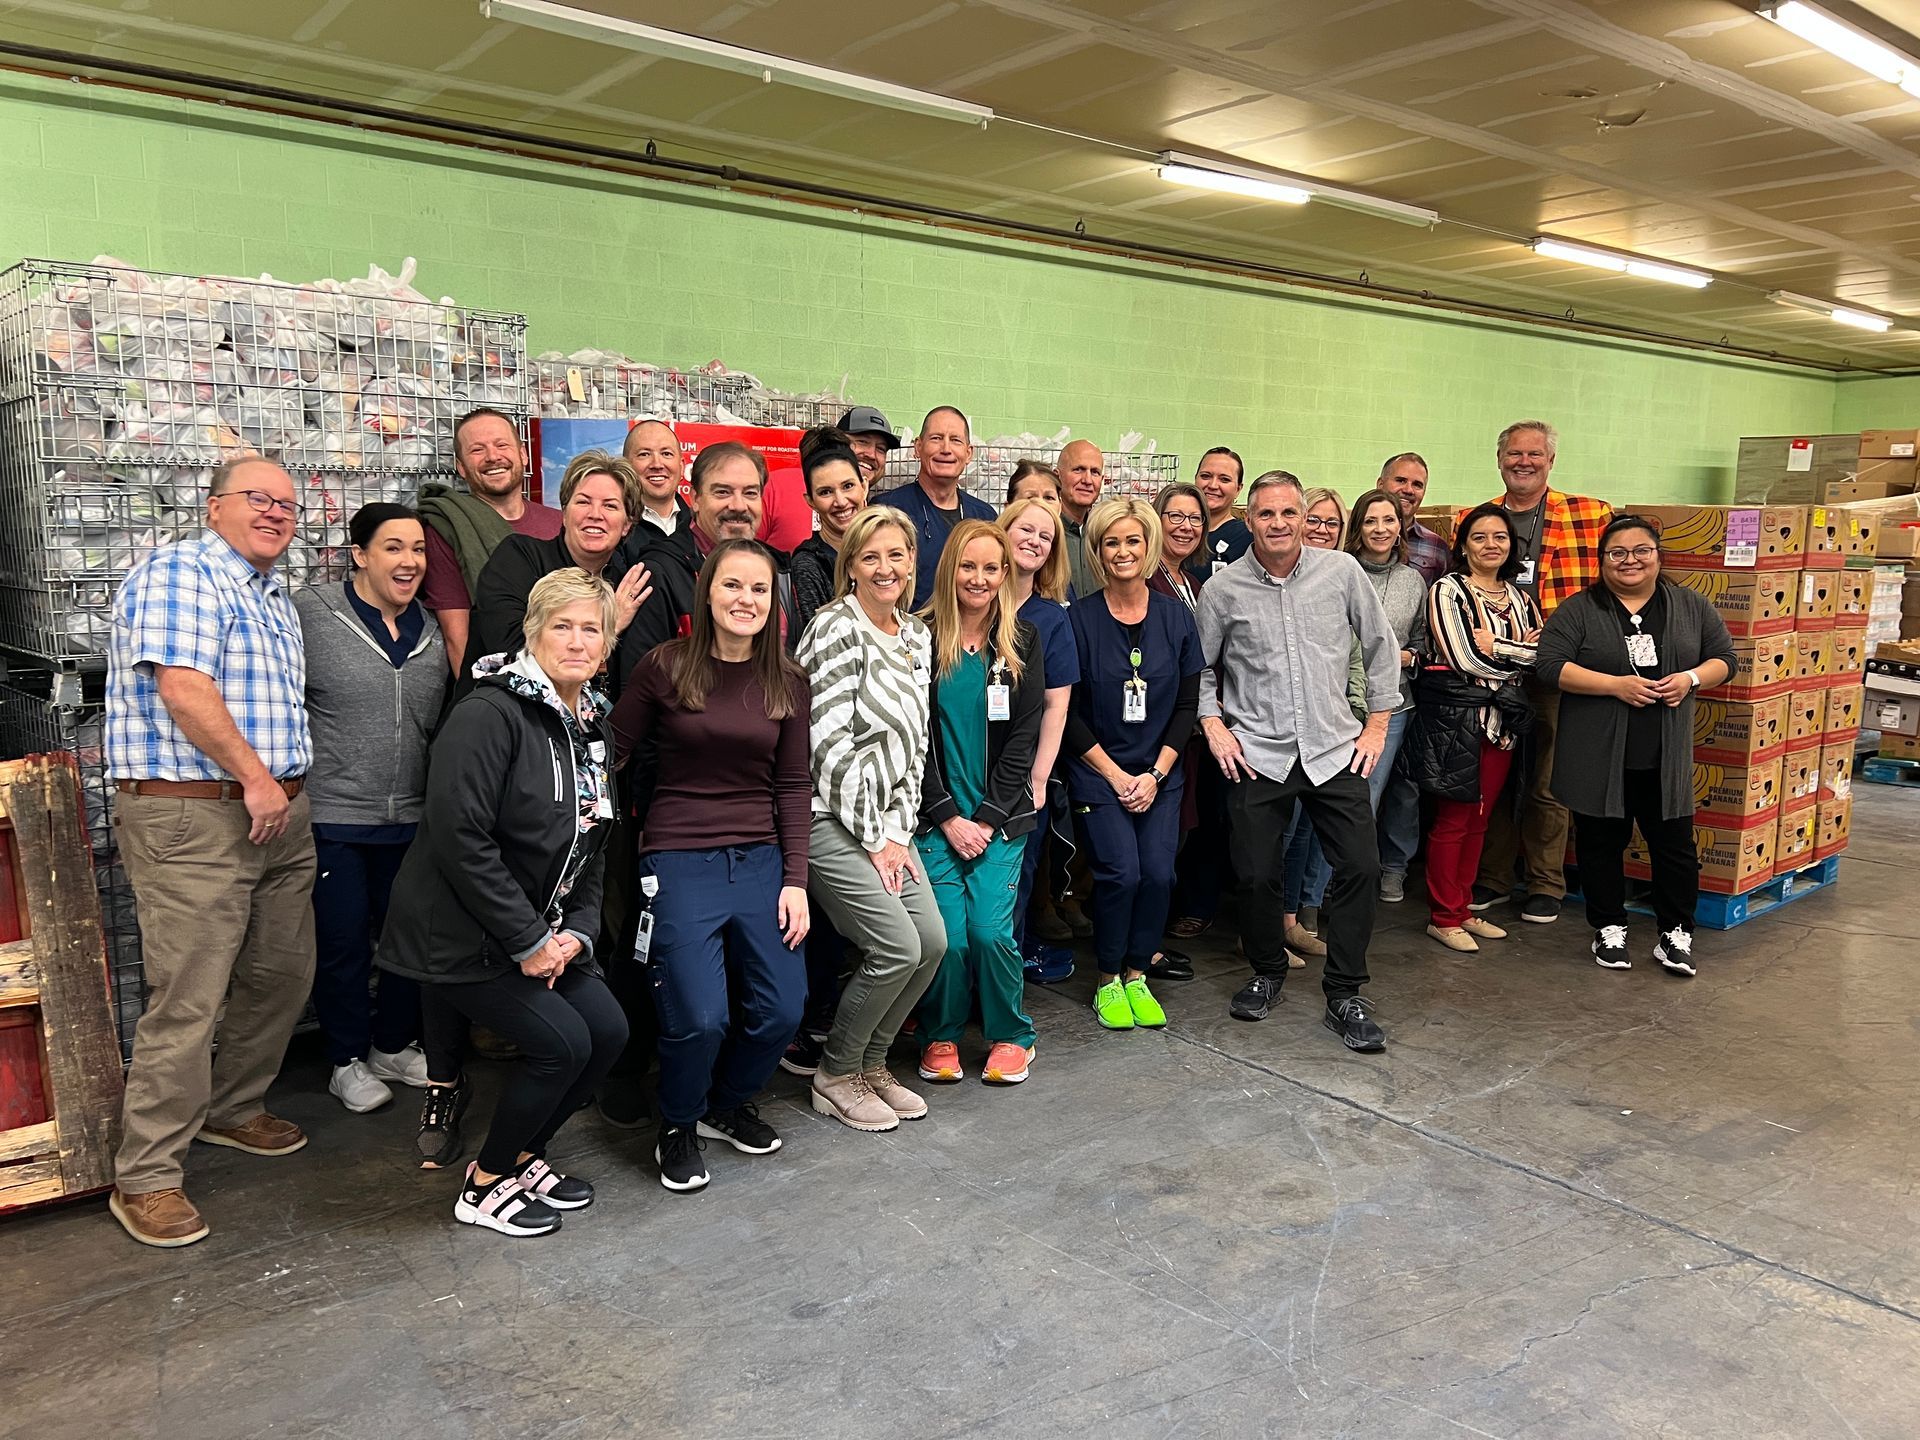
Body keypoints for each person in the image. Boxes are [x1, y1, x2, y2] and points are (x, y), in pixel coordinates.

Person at [104, 455, 318, 1249]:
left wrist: (285, 790)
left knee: (280, 972)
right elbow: (184, 687)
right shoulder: (181, 573)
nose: (274, 513)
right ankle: (148, 1176)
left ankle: (232, 1109)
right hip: (197, 818)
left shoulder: (269, 595)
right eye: (258, 499)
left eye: (288, 505)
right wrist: (258, 780)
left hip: (281, 812)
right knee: (190, 997)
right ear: (215, 505)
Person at [376, 569, 627, 1237]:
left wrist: (576, 934)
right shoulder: (489, 712)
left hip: (539, 930)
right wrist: (528, 939)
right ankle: (484, 1186)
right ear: (532, 632)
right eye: (562, 626)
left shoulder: (593, 723)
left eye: (591, 628)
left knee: (607, 1032)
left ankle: (521, 1157)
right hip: (458, 933)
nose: (577, 641)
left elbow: (595, 838)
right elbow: (461, 838)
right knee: (560, 1044)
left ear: (607, 643)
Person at [610, 540, 813, 1190]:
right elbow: (612, 748)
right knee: (700, 1017)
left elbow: (793, 785)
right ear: (708, 593)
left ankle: (727, 1105)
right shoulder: (663, 667)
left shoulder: (787, 680)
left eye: (759, 589)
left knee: (783, 1010)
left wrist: (797, 881)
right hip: (676, 856)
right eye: (733, 586)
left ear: (773, 602)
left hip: (760, 860)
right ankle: (679, 1120)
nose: (745, 599)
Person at [1197, 471, 1401, 1050]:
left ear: (1304, 516)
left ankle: (1345, 992)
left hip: (1335, 748)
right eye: (1266, 514)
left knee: (1361, 866)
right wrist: (1214, 726)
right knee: (1258, 873)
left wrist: (1377, 725)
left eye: (1290, 513)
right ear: (1249, 518)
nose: (1279, 524)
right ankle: (1266, 972)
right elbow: (1203, 668)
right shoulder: (1224, 590)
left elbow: (1381, 645)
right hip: (1259, 753)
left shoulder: (1341, 573)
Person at [797, 507, 948, 1129]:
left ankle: (873, 1064)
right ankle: (835, 1072)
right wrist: (874, 838)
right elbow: (826, 744)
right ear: (851, 566)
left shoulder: (916, 634)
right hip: (828, 817)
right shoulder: (834, 627)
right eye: (871, 557)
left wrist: (897, 830)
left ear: (913, 562)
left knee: (933, 943)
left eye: (897, 555)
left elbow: (914, 743)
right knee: (895, 946)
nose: (886, 568)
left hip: (887, 823)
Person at [294, 503, 446, 1115]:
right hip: (335, 816)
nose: (408, 561)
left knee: (409, 940)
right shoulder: (312, 613)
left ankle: (391, 1046)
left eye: (416, 549)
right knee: (344, 941)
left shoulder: (434, 630)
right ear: (359, 555)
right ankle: (345, 1058)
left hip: (410, 817)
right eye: (392, 547)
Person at [1536, 516, 1735, 974]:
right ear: (1603, 560)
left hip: (1664, 756)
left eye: (1641, 550)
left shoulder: (1689, 606)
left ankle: (1675, 933)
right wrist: (1613, 686)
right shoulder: (1579, 609)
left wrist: (1689, 678)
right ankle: (1609, 929)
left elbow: (1724, 658)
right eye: (1618, 553)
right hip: (1597, 754)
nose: (1630, 560)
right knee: (1601, 842)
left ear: (1658, 555)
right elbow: (1549, 666)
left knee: (1675, 845)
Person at [914, 519, 1046, 1086]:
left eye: (991, 567)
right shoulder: (917, 635)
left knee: (992, 934)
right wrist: (947, 816)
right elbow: (911, 737)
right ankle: (939, 1034)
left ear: (1004, 573)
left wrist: (987, 820)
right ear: (949, 569)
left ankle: (1011, 1035)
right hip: (934, 818)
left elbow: (1024, 738)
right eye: (968, 566)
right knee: (946, 936)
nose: (979, 578)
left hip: (1000, 819)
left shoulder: (1021, 643)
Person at [1068, 498, 1203, 1030]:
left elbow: (1187, 705)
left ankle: (1137, 974)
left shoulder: (1177, 619)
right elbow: (1070, 713)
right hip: (1099, 772)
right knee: (1121, 874)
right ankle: (1106, 979)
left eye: (1133, 541)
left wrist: (1156, 774)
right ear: (1098, 553)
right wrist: (1119, 775)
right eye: (1111, 543)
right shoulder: (1077, 619)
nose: (1123, 552)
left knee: (1158, 876)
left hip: (1159, 775)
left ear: (1148, 547)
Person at [1471, 421, 1613, 924]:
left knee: (1549, 780)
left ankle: (1545, 883)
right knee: (1495, 777)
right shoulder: (1479, 518)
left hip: (1561, 667)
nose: (1523, 462)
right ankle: (1491, 877)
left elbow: (1611, 587)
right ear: (1500, 459)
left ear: (1550, 460)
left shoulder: (1590, 514)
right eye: (1513, 453)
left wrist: (1559, 632)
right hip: (1493, 670)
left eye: (1534, 453)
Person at [1415, 505, 1541, 954]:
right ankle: (1443, 916)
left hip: (1502, 723)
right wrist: (1515, 656)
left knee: (1481, 819)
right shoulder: (1448, 591)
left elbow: (1541, 659)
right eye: (1480, 536)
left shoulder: (1521, 598)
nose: (1491, 545)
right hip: (1459, 722)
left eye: (1500, 537)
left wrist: (1500, 647)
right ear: (1463, 544)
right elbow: (1463, 658)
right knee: (1452, 820)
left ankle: (1464, 906)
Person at [467, 450, 659, 690]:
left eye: (610, 506)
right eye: (583, 502)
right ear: (565, 514)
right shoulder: (519, 558)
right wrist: (609, 625)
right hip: (504, 718)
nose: (595, 515)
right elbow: (510, 651)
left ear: (626, 525)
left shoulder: (626, 585)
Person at [998, 494, 1078, 985]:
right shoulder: (972, 598)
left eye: (1045, 537)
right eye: (1025, 530)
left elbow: (1057, 704)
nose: (1034, 541)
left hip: (1025, 773)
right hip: (966, 765)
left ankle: (1004, 977)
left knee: (1018, 877)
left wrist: (1040, 776)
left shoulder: (1051, 619)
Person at [418, 407, 561, 677]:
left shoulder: (560, 523)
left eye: (501, 445)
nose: (493, 457)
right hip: (500, 685)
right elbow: (458, 639)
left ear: (523, 454)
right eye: (477, 450)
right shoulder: (450, 528)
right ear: (461, 467)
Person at [1276, 485, 1352, 963]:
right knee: (1281, 833)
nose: (1320, 530)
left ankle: (1294, 919)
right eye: (1314, 520)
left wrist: (1367, 719)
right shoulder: (1251, 582)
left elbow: (1364, 653)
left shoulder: (1343, 576)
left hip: (1331, 733)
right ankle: (1268, 927)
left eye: (1331, 523)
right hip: (1275, 737)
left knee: (1307, 833)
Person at [1343, 489, 1430, 904]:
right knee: (1352, 797)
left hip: (1395, 705)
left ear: (1401, 529)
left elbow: (1423, 643)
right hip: (1341, 704)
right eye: (1371, 521)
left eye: (1389, 521)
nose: (1380, 529)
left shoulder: (1414, 581)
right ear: (1357, 528)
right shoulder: (1338, 571)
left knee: (1391, 791)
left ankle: (1392, 868)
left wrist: (1403, 656)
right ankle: (1336, 881)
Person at [1154, 483, 1228, 946]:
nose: (1186, 526)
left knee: (1186, 829)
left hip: (1200, 726)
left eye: (1195, 518)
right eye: (1175, 516)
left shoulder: (1196, 585)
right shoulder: (1146, 583)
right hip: (1164, 728)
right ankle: (1145, 943)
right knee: (1162, 838)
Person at [885, 406, 997, 608]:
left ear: (968, 453)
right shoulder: (889, 510)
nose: (946, 449)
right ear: (918, 447)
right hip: (908, 633)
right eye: (936, 438)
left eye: (955, 440)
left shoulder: (984, 517)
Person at [790, 437, 868, 634]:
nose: (840, 501)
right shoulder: (808, 565)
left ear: (864, 486)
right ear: (811, 501)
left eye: (848, 486)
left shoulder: (886, 549)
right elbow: (817, 642)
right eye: (826, 492)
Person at [620, 418, 694, 564]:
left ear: (681, 467)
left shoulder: (698, 525)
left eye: (666, 454)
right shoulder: (615, 526)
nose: (657, 464)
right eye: (644, 454)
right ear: (625, 466)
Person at [1380, 452, 1449, 586]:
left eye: (1417, 484)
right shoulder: (1353, 538)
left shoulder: (1437, 548)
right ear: (1380, 484)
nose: (1408, 490)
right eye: (1400, 480)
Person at [1056, 440, 1106, 599]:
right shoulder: (1044, 534)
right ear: (1057, 476)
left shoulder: (1104, 533)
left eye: (1095, 472)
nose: (1087, 480)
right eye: (1078, 470)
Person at [1193, 446, 1251, 579]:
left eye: (1224, 479)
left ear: (1238, 488)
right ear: (1195, 479)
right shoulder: (1178, 530)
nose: (1213, 485)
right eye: (1205, 476)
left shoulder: (1246, 537)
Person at [836, 405, 898, 489]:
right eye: (862, 442)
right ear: (836, 443)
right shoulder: (815, 499)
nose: (872, 455)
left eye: (881, 448)